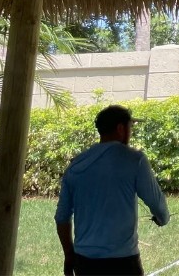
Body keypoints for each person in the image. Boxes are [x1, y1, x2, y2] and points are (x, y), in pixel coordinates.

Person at [55, 105, 170, 276]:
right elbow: (157, 204)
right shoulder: (134, 160)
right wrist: (162, 218)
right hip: (123, 262)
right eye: (130, 127)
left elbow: (62, 217)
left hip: (85, 262)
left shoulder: (76, 165)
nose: (131, 132)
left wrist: (69, 254)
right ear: (120, 128)